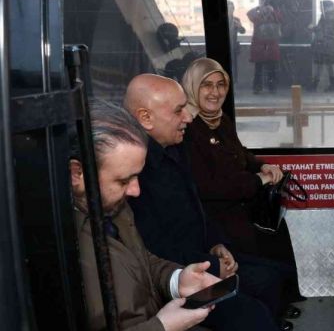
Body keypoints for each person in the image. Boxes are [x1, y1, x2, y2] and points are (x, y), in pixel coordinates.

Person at [70, 100, 278, 331]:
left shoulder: (112, 206)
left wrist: (177, 279)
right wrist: (163, 326)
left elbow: (143, 260)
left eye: (136, 177)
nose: (135, 191)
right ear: (77, 174)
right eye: (123, 180)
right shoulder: (59, 246)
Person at [123, 74, 293, 331]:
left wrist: (216, 244)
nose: (189, 118)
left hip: (202, 254)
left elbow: (196, 207)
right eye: (179, 111)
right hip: (179, 275)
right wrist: (213, 266)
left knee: (273, 275)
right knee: (255, 315)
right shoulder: (136, 173)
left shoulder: (174, 149)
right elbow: (154, 250)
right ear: (145, 118)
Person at [181, 57, 305, 315]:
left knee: (278, 231)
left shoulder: (220, 120)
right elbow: (208, 187)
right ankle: (268, 310)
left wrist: (261, 166)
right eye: (206, 85)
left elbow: (240, 153)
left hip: (241, 203)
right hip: (217, 215)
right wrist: (257, 181)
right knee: (258, 244)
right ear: (192, 87)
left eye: (220, 85)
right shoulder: (188, 130)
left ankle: (281, 301)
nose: (215, 92)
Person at [247, 1, 282, 94]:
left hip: (269, 48)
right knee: (259, 70)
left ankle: (271, 88)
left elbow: (281, 18)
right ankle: (258, 88)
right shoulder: (258, 17)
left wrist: (272, 10)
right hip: (260, 48)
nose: (267, 10)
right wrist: (259, 7)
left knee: (271, 70)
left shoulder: (274, 17)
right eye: (265, 8)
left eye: (268, 8)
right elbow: (249, 13)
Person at [307, 0, 334, 92]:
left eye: (321, 6)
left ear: (326, 7)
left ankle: (315, 86)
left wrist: (312, 28)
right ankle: (332, 85)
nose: (320, 8)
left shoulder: (327, 17)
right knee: (328, 66)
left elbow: (323, 31)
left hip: (325, 45)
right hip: (329, 45)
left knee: (320, 65)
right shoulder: (331, 17)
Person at [227, 1, 246, 84]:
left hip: (233, 46)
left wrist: (239, 26)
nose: (230, 10)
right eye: (228, 8)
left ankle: (233, 82)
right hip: (224, 47)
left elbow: (243, 31)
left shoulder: (236, 20)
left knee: (234, 65)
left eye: (231, 8)